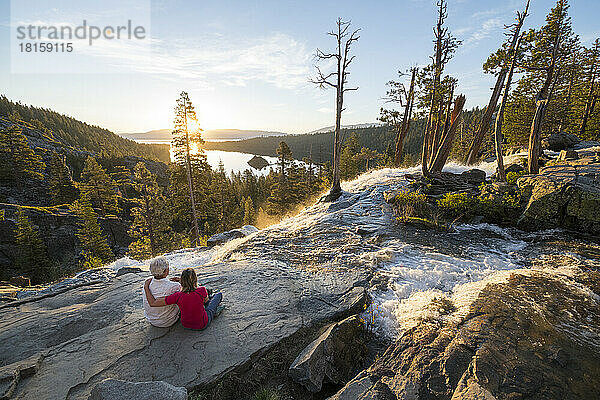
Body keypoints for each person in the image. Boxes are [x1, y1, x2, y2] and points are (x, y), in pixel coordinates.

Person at [144, 267, 223, 330]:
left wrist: (146, 287)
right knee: (218, 295)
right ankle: (214, 312)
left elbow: (153, 303)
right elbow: (206, 301)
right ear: (195, 279)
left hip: (186, 325)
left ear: (182, 281)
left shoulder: (177, 296)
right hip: (202, 324)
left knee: (200, 298)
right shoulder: (201, 290)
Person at [142, 257, 182, 328]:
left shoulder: (147, 283)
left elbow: (160, 285)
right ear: (166, 271)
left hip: (152, 320)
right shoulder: (175, 286)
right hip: (168, 321)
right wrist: (181, 281)